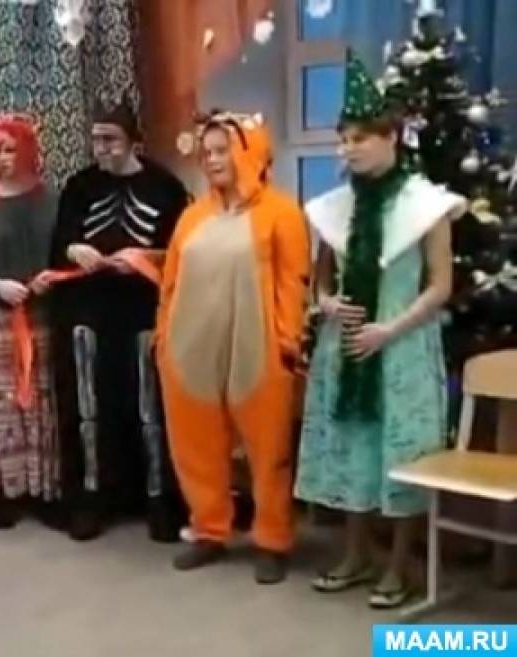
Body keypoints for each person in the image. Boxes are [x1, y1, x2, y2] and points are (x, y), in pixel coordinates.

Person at [296, 51, 462, 608]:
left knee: (401, 452)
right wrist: (327, 304)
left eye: (360, 139)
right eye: (343, 140)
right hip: (345, 345)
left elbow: (440, 286)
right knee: (353, 446)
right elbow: (320, 281)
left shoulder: (427, 205)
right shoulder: (334, 209)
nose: (348, 149)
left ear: (391, 137)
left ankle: (398, 564)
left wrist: (390, 330)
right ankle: (356, 552)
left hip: (402, 346)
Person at [156, 110, 310, 584]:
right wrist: (163, 338)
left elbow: (293, 283)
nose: (213, 160)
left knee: (268, 450)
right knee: (195, 444)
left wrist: (288, 340)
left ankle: (272, 538)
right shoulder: (191, 217)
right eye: (207, 152)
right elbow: (170, 284)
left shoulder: (282, 212)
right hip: (190, 347)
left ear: (249, 151)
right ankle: (209, 528)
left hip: (258, 347)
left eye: (222, 150)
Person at [48, 102, 190, 541]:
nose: (101, 149)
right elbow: (60, 242)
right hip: (88, 310)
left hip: (142, 309)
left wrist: (144, 259)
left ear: (133, 142)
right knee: (88, 407)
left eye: (110, 139)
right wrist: (74, 249)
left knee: (151, 407)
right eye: (95, 140)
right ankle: (90, 498)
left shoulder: (165, 187)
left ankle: (159, 499)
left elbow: (181, 251)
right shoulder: (80, 186)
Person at [0, 114, 61, 529]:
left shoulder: (52, 201)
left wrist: (51, 277)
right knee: (2, 402)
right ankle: (4, 490)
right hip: (1, 321)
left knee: (42, 401)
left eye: (11, 149)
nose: (2, 158)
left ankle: (42, 486)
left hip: (43, 317)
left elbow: (67, 251)